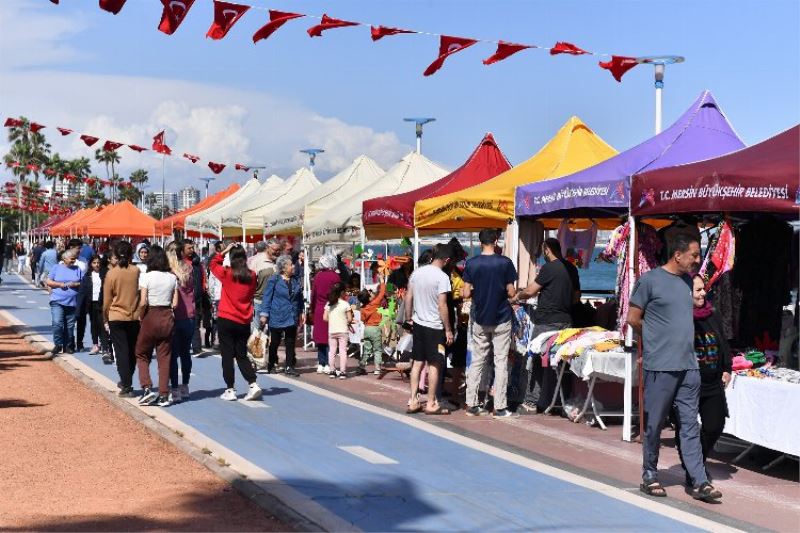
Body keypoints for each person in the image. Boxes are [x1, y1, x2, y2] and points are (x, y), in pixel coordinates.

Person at [627, 234, 722, 502]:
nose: (697, 260)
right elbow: (633, 318)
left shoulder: (687, 283)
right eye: (693, 255)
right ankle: (649, 474)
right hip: (661, 366)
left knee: (690, 425)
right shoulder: (650, 281)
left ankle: (699, 481)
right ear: (677, 255)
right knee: (655, 424)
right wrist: (654, 338)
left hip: (689, 367)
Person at [674, 275, 732, 487]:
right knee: (685, 427)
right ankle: (694, 468)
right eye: (697, 291)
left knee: (715, 425)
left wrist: (727, 367)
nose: (703, 294)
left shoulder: (712, 313)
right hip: (687, 382)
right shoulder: (678, 317)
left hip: (712, 381)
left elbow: (722, 341)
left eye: (703, 289)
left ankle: (696, 461)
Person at [513, 238, 575, 414]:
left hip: (547, 322)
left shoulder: (549, 268)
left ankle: (531, 402)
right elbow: (576, 296)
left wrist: (517, 297)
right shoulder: (571, 268)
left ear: (547, 250)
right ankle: (563, 402)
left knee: (536, 360)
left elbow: (531, 291)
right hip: (566, 320)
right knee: (563, 362)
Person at [462, 229, 519, 418]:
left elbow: (465, 293)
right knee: (500, 362)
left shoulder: (471, 264)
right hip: (501, 317)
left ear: (480, 242)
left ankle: (471, 403)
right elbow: (511, 292)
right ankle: (500, 406)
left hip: (480, 317)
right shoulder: (505, 263)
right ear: (496, 240)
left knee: (478, 360)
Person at [404, 245, 454, 415]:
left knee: (417, 362)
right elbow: (442, 305)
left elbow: (408, 296)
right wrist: (448, 329)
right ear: (446, 260)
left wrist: (409, 318)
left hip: (418, 323)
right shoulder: (442, 277)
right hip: (434, 326)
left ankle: (413, 400)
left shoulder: (416, 273)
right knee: (435, 363)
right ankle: (431, 402)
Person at [210, 243, 262, 401]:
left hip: (226, 317)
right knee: (241, 354)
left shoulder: (227, 273)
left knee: (227, 355)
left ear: (231, 258)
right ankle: (252, 384)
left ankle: (230, 389)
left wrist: (223, 252)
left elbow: (212, 264)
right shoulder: (252, 275)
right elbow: (252, 292)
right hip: (244, 319)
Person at [135, 245, 178, 407]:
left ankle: (146, 387)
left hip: (150, 315)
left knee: (141, 352)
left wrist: (140, 316)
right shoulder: (172, 277)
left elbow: (143, 300)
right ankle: (164, 394)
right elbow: (175, 303)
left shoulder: (147, 276)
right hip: (167, 316)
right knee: (164, 357)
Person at [103, 241, 141, 398]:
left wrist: (105, 316)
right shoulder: (136, 271)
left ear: (116, 256)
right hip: (133, 316)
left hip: (116, 315)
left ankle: (126, 384)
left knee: (121, 351)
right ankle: (127, 379)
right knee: (132, 351)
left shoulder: (111, 273)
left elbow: (106, 300)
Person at [259, 255, 304, 376]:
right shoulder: (274, 279)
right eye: (291, 264)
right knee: (275, 342)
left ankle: (289, 366)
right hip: (277, 314)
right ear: (284, 268)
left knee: (290, 342)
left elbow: (299, 298)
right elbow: (267, 298)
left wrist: (301, 312)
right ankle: (271, 363)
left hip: (292, 315)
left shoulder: (295, 279)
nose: (293, 266)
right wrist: (264, 314)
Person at [167, 242, 195, 403]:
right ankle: (185, 386)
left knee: (172, 355)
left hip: (174, 316)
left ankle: (175, 388)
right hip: (189, 315)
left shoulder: (168, 271)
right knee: (185, 354)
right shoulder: (188, 268)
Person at [45, 248, 83, 355]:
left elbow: (83, 282)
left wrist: (75, 284)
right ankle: (58, 344)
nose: (73, 261)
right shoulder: (56, 268)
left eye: (74, 259)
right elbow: (48, 281)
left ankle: (68, 345)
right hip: (57, 300)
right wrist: (60, 285)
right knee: (57, 323)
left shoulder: (77, 269)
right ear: (64, 258)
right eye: (71, 259)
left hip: (72, 302)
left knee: (70, 326)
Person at [311, 254, 340, 374]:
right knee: (330, 337)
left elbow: (314, 294)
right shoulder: (335, 276)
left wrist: (312, 309)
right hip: (332, 308)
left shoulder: (318, 276)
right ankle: (329, 363)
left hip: (319, 308)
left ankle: (321, 363)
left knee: (320, 337)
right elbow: (339, 294)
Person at [76, 255, 111, 356]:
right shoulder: (87, 276)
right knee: (94, 324)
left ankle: (105, 347)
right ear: (91, 264)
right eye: (94, 263)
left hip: (102, 303)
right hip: (91, 303)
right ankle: (95, 345)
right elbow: (82, 292)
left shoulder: (105, 274)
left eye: (98, 263)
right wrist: (79, 307)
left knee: (102, 325)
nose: (97, 265)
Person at [355, 277, 386, 376]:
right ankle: (377, 368)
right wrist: (382, 281)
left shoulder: (363, 308)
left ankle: (362, 365)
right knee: (377, 349)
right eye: (371, 293)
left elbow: (362, 320)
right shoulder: (376, 303)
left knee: (367, 349)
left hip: (367, 329)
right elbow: (382, 292)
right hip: (376, 329)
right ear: (369, 297)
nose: (373, 293)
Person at [324, 282, 353, 379]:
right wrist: (345, 321)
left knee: (332, 351)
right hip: (343, 330)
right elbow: (349, 319)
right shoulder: (345, 304)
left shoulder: (329, 303)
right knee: (343, 351)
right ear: (342, 292)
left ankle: (332, 371)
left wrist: (332, 320)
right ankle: (343, 372)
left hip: (332, 330)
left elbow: (324, 318)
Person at [249, 239, 279, 331]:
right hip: (259, 302)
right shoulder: (257, 261)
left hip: (275, 303)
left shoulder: (279, 262)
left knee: (272, 334)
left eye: (279, 250)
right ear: (267, 248)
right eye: (275, 250)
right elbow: (250, 282)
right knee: (257, 334)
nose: (277, 252)